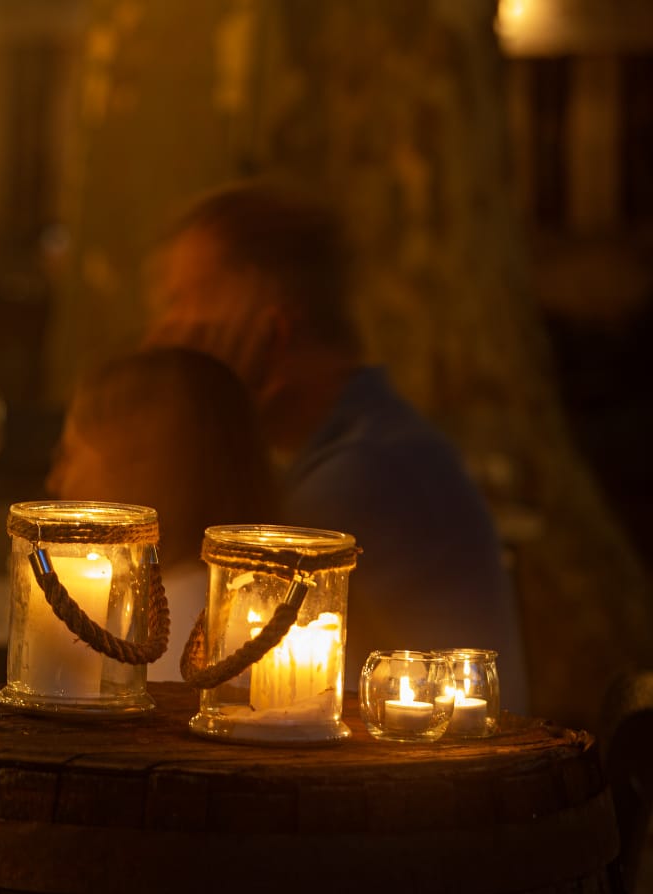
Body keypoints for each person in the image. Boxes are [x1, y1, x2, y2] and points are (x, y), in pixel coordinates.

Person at [140, 178, 530, 709]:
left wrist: (182, 423)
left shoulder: (364, 474)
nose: (163, 335)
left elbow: (219, 663)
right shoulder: (360, 445)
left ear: (275, 328)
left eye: (184, 302)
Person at [47, 347, 278, 680]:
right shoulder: (239, 605)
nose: (55, 481)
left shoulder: (173, 634)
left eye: (68, 455)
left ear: (136, 464)